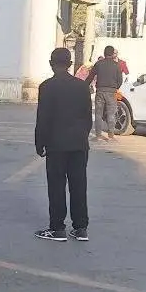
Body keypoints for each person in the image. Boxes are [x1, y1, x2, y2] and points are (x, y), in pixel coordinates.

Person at [34, 46, 92, 242]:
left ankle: (57, 228)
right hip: (79, 144)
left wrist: (39, 143)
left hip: (56, 144)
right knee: (79, 185)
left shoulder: (46, 86)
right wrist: (82, 136)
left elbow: (43, 118)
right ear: (69, 65)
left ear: (51, 64)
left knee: (57, 185)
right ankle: (81, 228)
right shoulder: (82, 86)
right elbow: (87, 118)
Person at [86, 44, 124, 140]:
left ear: (104, 53)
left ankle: (98, 135)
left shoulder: (99, 64)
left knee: (98, 114)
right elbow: (120, 80)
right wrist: (115, 88)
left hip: (100, 91)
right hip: (111, 92)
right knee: (111, 113)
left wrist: (84, 86)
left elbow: (90, 76)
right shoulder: (117, 66)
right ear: (112, 54)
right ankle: (111, 134)